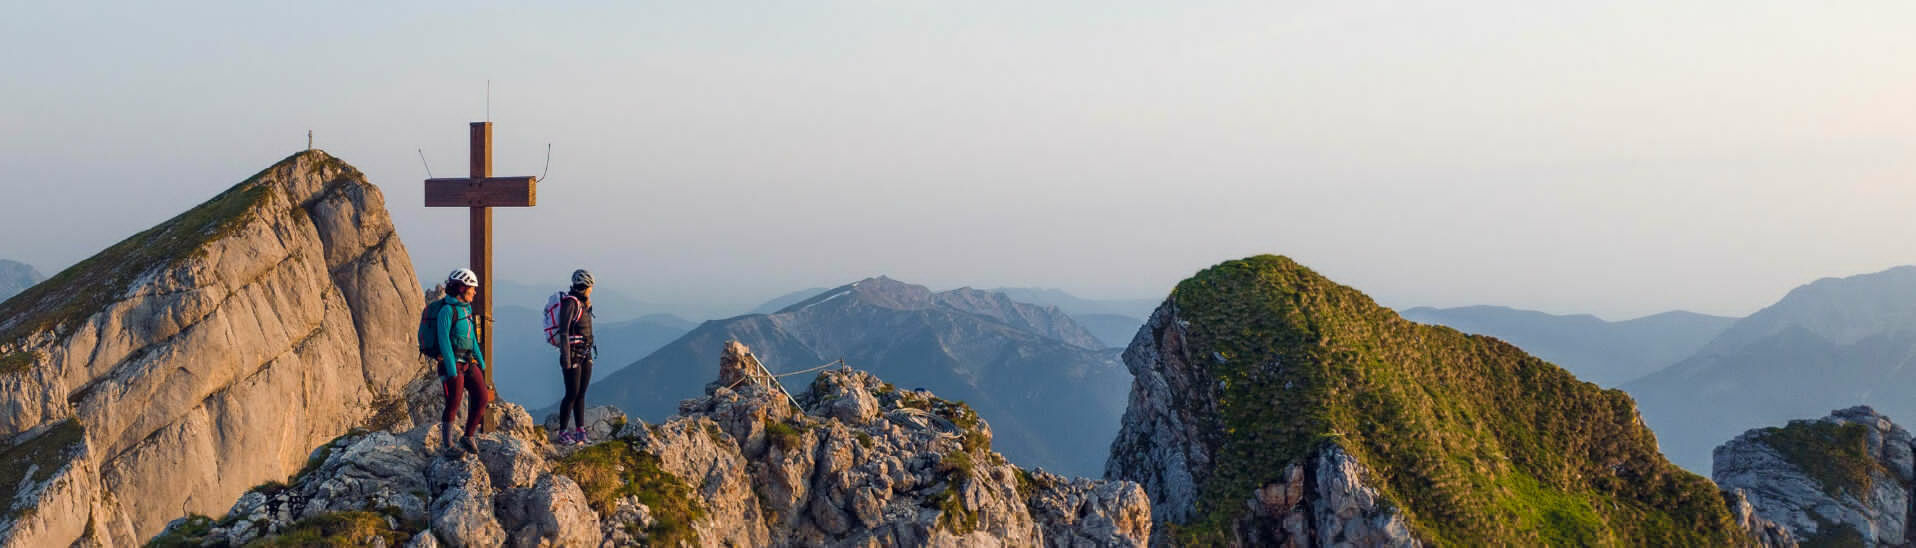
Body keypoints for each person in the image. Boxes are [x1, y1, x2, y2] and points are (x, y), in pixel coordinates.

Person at [437, 268, 490, 454]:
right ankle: (448, 445)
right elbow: (444, 341)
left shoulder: (466, 309)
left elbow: (472, 338)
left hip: (468, 362)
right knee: (454, 402)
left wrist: (481, 362)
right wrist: (452, 369)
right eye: (472, 288)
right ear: (461, 288)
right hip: (452, 365)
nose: (475, 292)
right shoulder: (447, 311)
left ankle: (468, 436)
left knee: (482, 397)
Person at [555, 269, 597, 445]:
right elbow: (564, 332)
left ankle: (580, 430)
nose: (592, 290)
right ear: (586, 286)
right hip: (572, 355)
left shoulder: (583, 303)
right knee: (571, 393)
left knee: (581, 393)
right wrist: (566, 358)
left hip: (585, 352)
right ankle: (563, 431)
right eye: (591, 287)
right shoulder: (570, 303)